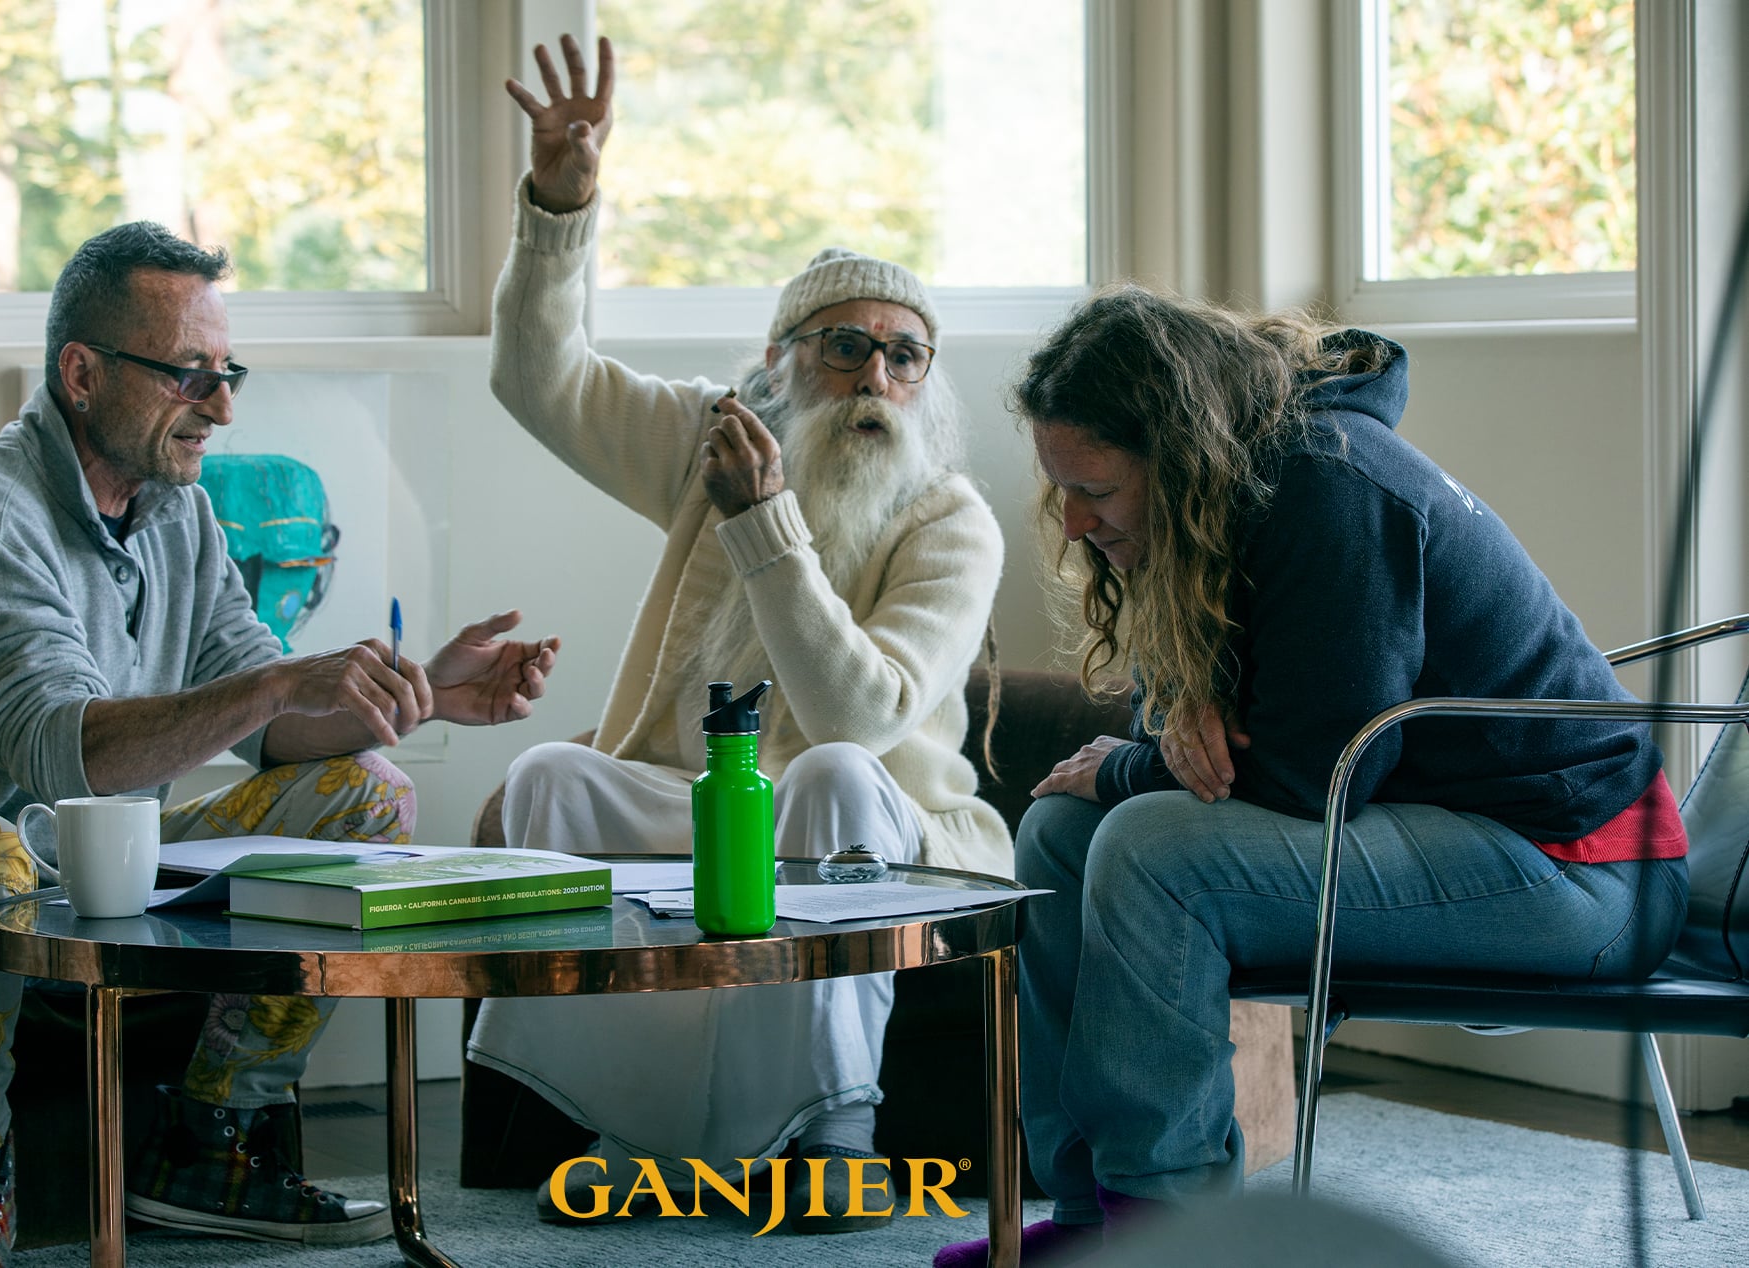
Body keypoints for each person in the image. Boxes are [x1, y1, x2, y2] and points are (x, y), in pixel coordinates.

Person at [0, 222, 560, 1268]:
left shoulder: (179, 513)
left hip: (94, 873)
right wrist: (280, 675)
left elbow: (276, 730)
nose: (224, 404)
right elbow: (62, 749)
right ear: (80, 372)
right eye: (190, 375)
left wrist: (420, 694)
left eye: (227, 371)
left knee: (367, 795)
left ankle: (210, 1144)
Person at [934, 284, 1691, 1266]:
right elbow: (1223, 728)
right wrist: (1175, 717)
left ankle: (1167, 1234)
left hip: (1585, 871)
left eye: (1099, 491)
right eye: (1061, 489)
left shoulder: (1330, 483)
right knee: (1056, 836)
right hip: (1454, 829)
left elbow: (1315, 769)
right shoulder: (1244, 487)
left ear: (1181, 451)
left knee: (1148, 845)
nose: (1074, 522)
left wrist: (1140, 760)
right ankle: (1089, 1219)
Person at [461, 35, 1010, 1235]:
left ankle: (835, 1131)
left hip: (886, 828)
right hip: (692, 799)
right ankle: (633, 1128)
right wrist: (561, 204)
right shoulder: (710, 438)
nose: (876, 373)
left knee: (825, 772)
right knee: (554, 776)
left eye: (904, 354)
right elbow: (537, 377)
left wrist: (765, 529)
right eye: (845, 344)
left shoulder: (951, 519)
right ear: (778, 363)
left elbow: (866, 715)